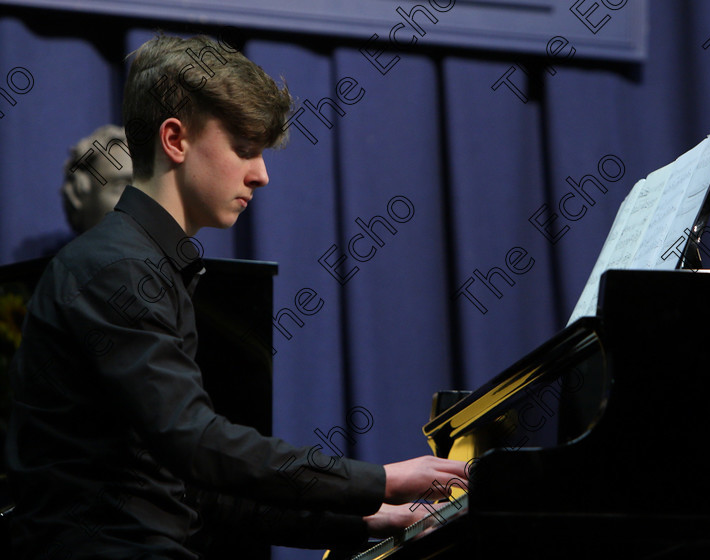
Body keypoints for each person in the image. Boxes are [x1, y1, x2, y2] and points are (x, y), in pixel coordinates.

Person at [5, 33, 467, 559]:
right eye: (245, 149)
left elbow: (191, 494)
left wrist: (366, 519)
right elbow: (198, 446)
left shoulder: (148, 266)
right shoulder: (119, 270)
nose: (262, 175)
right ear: (175, 140)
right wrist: (378, 479)